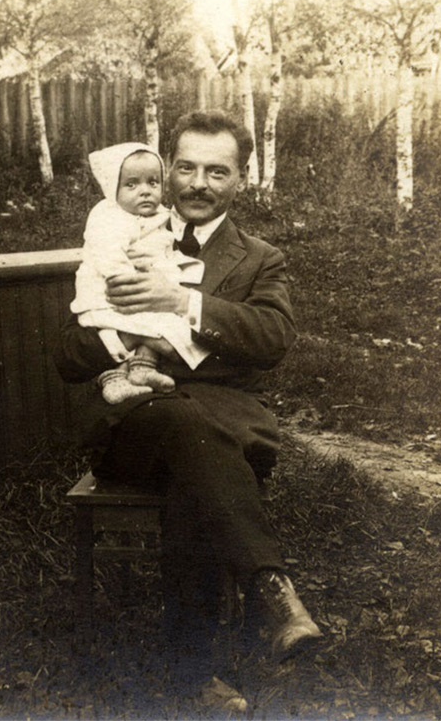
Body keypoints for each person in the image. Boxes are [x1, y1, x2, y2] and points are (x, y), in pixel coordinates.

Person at [55, 110, 322, 712]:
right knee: (184, 429)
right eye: (186, 167)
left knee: (194, 445)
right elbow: (68, 353)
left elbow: (273, 337)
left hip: (216, 430)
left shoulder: (260, 259)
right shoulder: (117, 235)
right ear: (167, 169)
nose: (199, 183)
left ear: (240, 179)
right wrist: (118, 334)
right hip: (135, 430)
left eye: (217, 171)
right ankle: (269, 590)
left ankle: (191, 673)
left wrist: (183, 301)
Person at [70, 141, 209, 404]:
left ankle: (143, 369)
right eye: (131, 185)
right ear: (114, 188)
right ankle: (114, 380)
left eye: (153, 183)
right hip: (111, 288)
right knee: (114, 327)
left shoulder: (161, 214)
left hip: (144, 286)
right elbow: (106, 252)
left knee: (157, 321)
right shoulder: (107, 216)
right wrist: (125, 277)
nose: (145, 192)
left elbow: (170, 240)